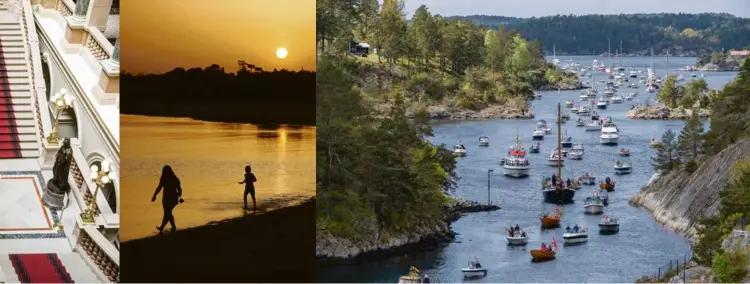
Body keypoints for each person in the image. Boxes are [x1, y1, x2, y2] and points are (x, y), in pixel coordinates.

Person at [151, 165, 183, 233]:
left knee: (167, 213)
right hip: (167, 199)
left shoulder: (174, 179)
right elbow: (159, 187)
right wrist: (154, 195)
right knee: (168, 213)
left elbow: (179, 189)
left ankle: (162, 227)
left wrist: (180, 196)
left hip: (171, 198)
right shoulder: (165, 178)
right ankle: (173, 227)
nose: (165, 173)